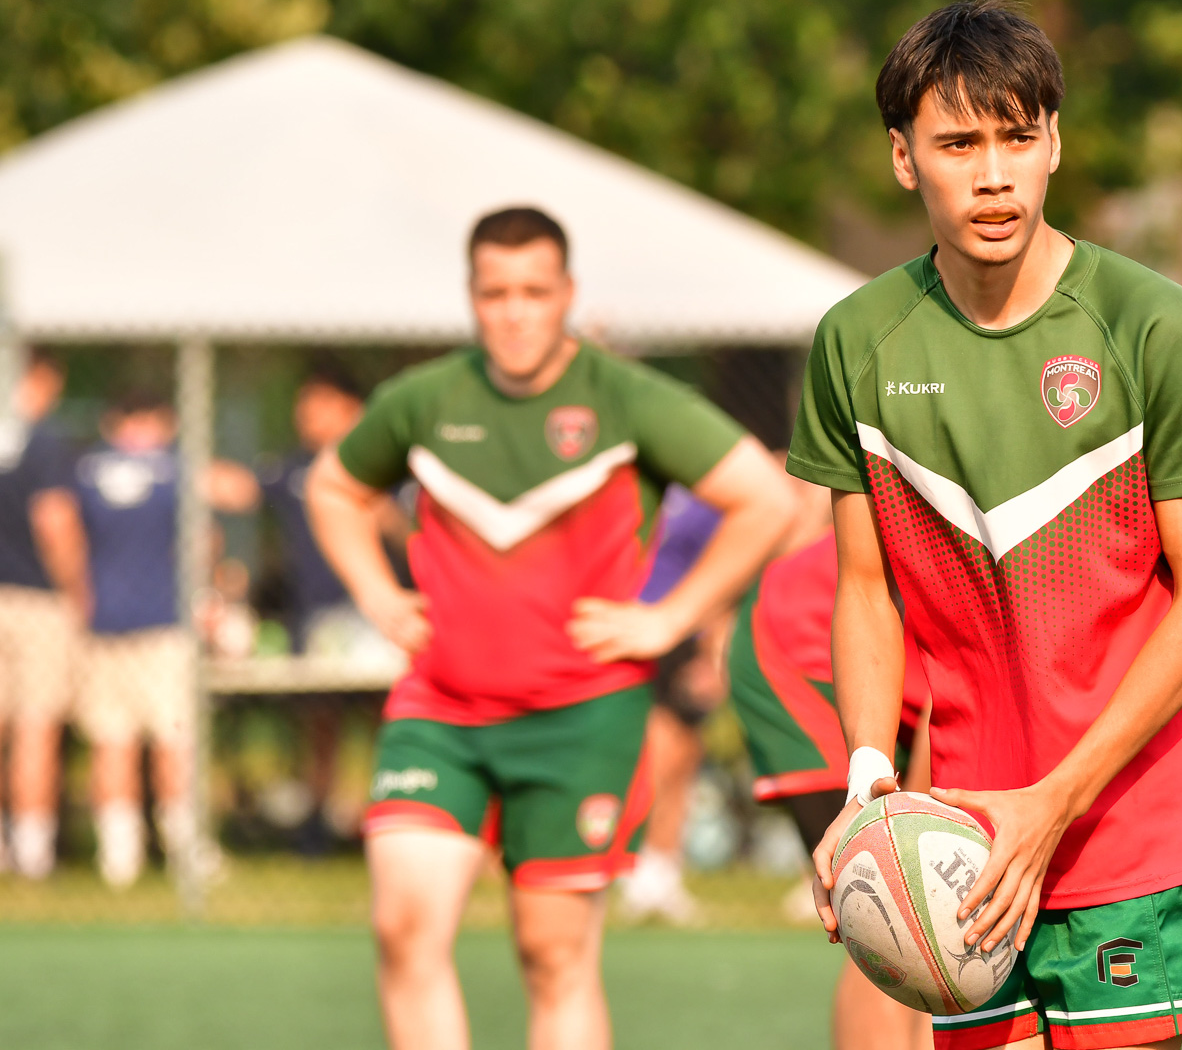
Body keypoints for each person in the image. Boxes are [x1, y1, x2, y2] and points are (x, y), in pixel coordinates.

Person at [792, 0, 1182, 1050]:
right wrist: (870, 782)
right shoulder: (857, 341)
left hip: (1136, 825)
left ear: (1055, 142)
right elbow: (865, 589)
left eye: (1017, 136)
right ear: (903, 157)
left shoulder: (1152, 324)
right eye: (958, 143)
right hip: (961, 839)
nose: (994, 173)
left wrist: (1056, 799)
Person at [306, 206, 794, 1050]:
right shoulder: (425, 399)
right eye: (495, 293)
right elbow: (333, 488)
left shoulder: (625, 398)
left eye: (534, 292)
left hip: (581, 719)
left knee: (553, 955)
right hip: (440, 711)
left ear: (567, 293)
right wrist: (377, 595)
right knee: (403, 929)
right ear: (471, 297)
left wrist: (671, 618)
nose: (515, 313)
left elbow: (764, 500)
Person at [729, 470, 934, 1050]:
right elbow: (944, 718)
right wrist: (913, 824)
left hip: (892, 654)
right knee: (897, 910)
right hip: (805, 654)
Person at [73, 387, 258, 888]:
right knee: (173, 740)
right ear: (163, 421)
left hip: (101, 625)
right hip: (163, 626)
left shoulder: (84, 472)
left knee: (112, 741)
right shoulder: (175, 470)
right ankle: (184, 849)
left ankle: (119, 859)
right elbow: (241, 492)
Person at [254, 360, 406, 849]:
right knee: (320, 720)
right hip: (315, 618)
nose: (306, 414)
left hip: (375, 619)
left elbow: (416, 536)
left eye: (319, 404)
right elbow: (241, 487)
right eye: (304, 404)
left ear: (351, 408)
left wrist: (385, 516)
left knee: (388, 719)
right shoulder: (293, 467)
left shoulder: (386, 465)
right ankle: (317, 824)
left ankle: (393, 816)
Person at [615, 483, 724, 924]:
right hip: (633, 624)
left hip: (686, 631)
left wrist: (713, 653)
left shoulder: (712, 495)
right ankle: (637, 866)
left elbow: (724, 574)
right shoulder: (633, 485)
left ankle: (663, 869)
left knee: (683, 756)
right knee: (655, 752)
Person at [0, 349, 87, 880]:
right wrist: (77, 589)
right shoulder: (43, 440)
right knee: (36, 726)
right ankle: (32, 854)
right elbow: (55, 521)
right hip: (36, 600)